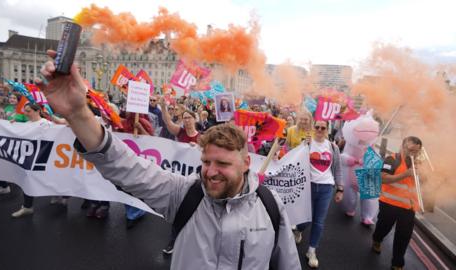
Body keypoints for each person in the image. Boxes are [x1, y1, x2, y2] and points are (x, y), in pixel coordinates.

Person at [37, 50, 301, 270]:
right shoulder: (184, 194)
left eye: (223, 164)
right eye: (207, 162)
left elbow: (288, 265)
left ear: (246, 164)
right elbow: (123, 165)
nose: (210, 172)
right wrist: (77, 113)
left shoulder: (269, 206)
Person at [293, 120, 343, 268]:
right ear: (313, 128)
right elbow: (294, 161)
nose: (320, 130)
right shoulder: (306, 144)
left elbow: (339, 169)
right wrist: (303, 146)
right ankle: (299, 229)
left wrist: (340, 188)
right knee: (306, 219)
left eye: (323, 127)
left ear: (327, 129)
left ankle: (311, 251)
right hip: (308, 186)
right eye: (317, 127)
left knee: (319, 221)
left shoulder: (333, 147)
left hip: (326, 187)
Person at [372, 136, 427, 270]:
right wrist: (405, 174)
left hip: (408, 207)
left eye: (417, 151)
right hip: (389, 203)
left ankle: (397, 263)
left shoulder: (419, 164)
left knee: (403, 236)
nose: (414, 154)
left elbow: (422, 185)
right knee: (383, 228)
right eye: (411, 150)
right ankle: (377, 239)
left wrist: (424, 177)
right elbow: (383, 179)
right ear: (403, 146)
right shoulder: (392, 159)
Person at [11, 103, 56, 217]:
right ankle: (27, 206)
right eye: (24, 111)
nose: (25, 114)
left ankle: (59, 194)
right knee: (28, 180)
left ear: (38, 111)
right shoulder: (26, 124)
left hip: (44, 158)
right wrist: (12, 126)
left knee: (50, 179)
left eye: (28, 111)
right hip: (30, 158)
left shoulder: (46, 124)